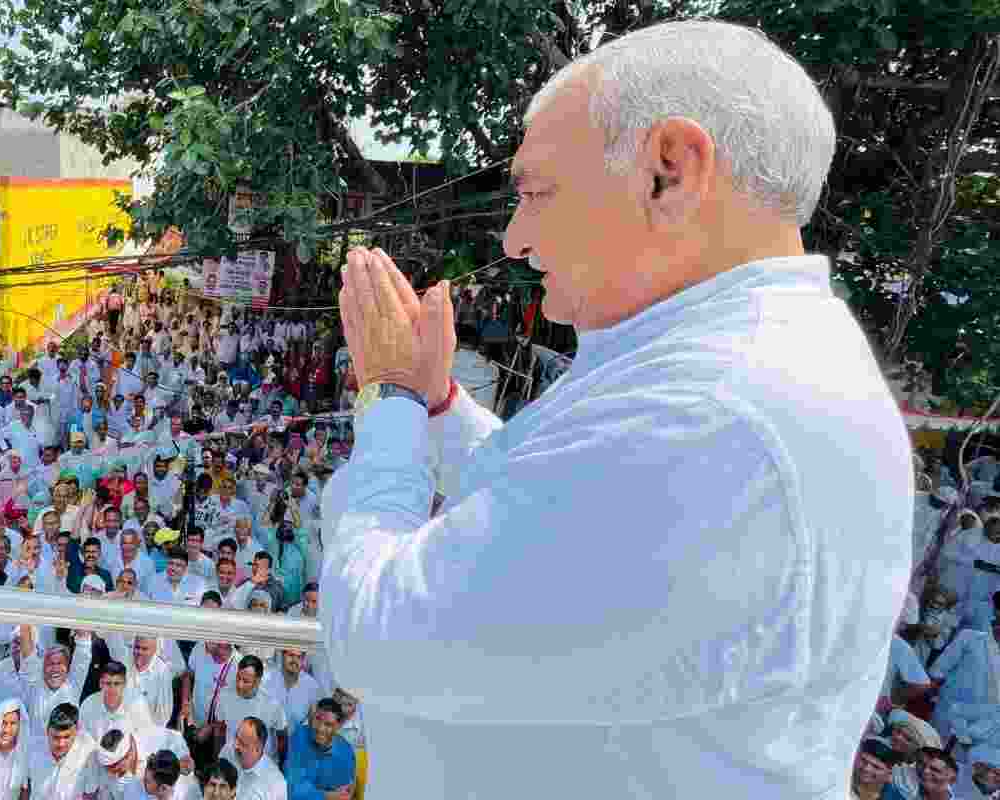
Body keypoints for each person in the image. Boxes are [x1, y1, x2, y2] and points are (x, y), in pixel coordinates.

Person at [322, 19, 911, 800]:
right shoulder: (715, 368)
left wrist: (388, 402)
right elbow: (553, 505)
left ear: (670, 172)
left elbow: (373, 632)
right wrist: (439, 408)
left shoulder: (711, 411)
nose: (514, 239)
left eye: (534, 193)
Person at [283, 699, 355, 800]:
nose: (320, 728)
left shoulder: (346, 753)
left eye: (328, 724)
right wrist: (328, 795)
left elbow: (343, 796)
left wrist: (312, 793)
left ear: (338, 726)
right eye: (318, 719)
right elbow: (291, 790)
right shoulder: (299, 736)